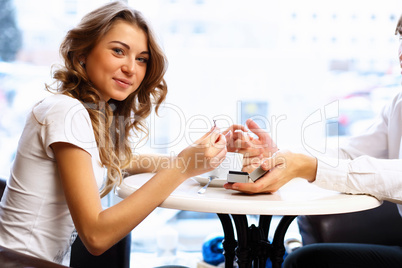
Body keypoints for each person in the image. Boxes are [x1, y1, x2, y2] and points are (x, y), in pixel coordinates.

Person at [0, 2, 227, 265]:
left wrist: (198, 159)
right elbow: (96, 237)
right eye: (119, 51)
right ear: (82, 53)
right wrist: (182, 167)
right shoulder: (64, 111)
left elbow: (120, 162)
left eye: (141, 59)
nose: (132, 68)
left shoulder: (86, 112)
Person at [224, 13, 402, 268]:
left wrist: (309, 167)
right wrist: (279, 154)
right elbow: (349, 154)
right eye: (401, 38)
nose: (401, 54)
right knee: (304, 260)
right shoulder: (399, 103)